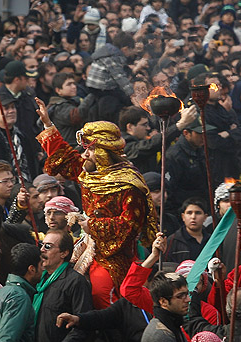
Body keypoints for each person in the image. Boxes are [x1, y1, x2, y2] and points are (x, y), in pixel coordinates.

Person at [35, 98, 158, 309]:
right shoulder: (89, 171)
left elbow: (130, 225)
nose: (84, 155)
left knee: (99, 292)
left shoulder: (129, 184)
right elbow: (66, 158)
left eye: (88, 150)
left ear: (102, 152)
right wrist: (48, 124)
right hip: (86, 246)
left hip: (115, 258)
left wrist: (92, 226)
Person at [34, 229, 93, 342]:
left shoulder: (75, 282)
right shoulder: (39, 281)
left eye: (48, 246)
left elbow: (84, 321)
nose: (42, 249)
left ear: (64, 253)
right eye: (41, 245)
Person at [0, 243, 42, 342]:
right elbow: (7, 341)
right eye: (41, 264)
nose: (44, 269)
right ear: (32, 269)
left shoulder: (0, 292)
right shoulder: (19, 297)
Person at [140, 271, 191, 342]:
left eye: (187, 294)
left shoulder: (172, 324)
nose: (188, 300)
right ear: (163, 301)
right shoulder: (160, 333)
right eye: (180, 296)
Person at [164, 117, 208, 215]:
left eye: (204, 133)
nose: (203, 137)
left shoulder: (200, 150)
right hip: (183, 209)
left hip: (202, 204)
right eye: (199, 134)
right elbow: (170, 187)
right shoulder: (174, 155)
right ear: (186, 133)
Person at [47, 72, 96, 148]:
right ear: (58, 90)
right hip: (66, 151)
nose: (74, 87)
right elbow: (77, 115)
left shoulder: (72, 102)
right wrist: (93, 94)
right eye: (69, 84)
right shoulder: (59, 107)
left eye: (74, 83)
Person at [164, 197, 210, 270]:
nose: (193, 217)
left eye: (198, 213)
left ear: (205, 217)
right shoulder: (173, 241)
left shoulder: (211, 241)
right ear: (183, 217)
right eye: (189, 213)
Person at [143, 172, 180, 237]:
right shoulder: (138, 221)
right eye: (157, 192)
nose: (164, 195)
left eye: (165, 191)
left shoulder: (171, 220)